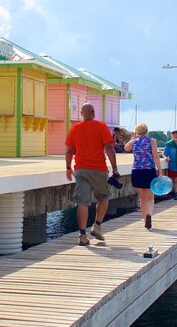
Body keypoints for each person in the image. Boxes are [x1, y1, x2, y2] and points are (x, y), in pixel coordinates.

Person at [65, 102, 119, 246]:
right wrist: (114, 168)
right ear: (93, 113)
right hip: (99, 169)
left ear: (82, 114)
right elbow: (109, 148)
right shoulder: (101, 126)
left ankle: (82, 235)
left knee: (82, 202)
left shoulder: (75, 128)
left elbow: (69, 150)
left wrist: (68, 167)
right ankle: (97, 225)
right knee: (104, 197)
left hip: (80, 170)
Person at [124, 122, 162, 229]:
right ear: (147, 131)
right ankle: (149, 214)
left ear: (136, 132)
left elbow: (126, 148)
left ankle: (145, 219)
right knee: (150, 197)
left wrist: (134, 137)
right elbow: (155, 157)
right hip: (149, 171)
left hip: (137, 171)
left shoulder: (133, 142)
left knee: (142, 198)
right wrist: (160, 170)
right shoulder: (152, 141)